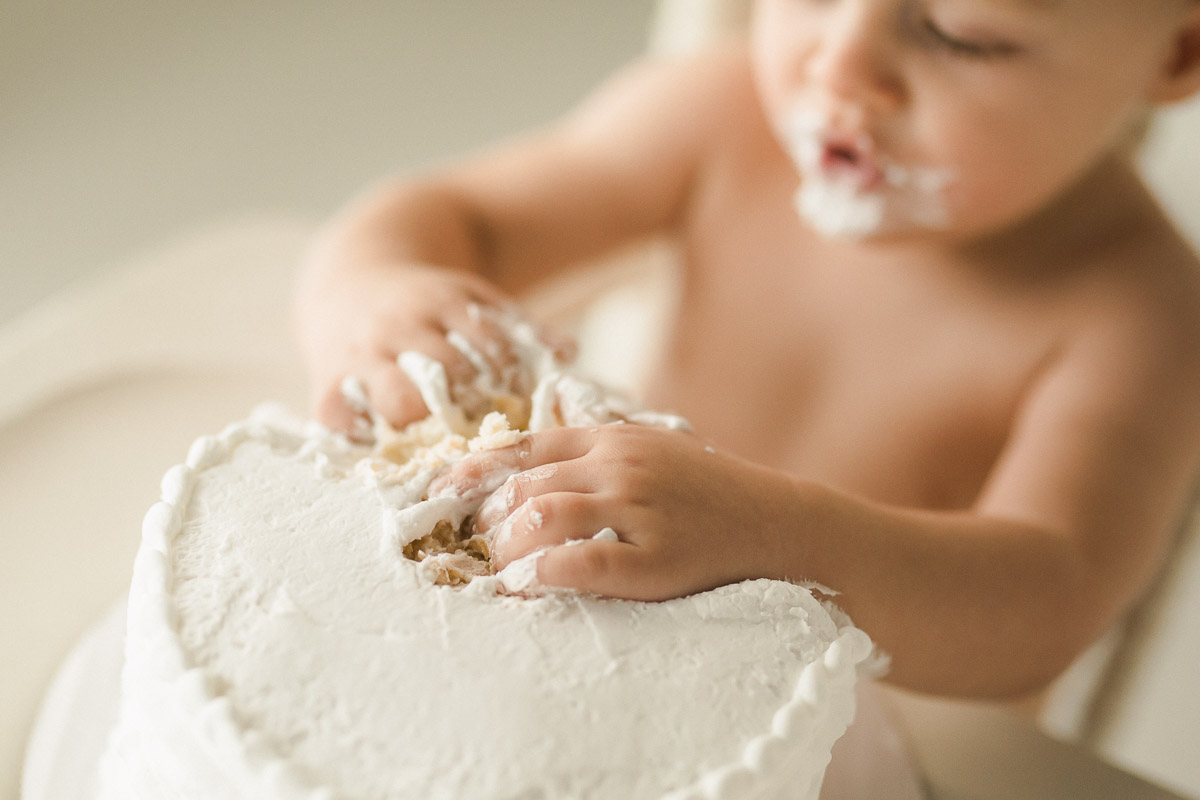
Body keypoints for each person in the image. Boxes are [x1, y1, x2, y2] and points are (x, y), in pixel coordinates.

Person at [294, 0, 1200, 700]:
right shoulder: (718, 117)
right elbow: (459, 216)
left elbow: (1046, 596)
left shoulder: (1141, 314)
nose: (839, 64)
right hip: (609, 615)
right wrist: (373, 292)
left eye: (960, 33)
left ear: (1177, 51)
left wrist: (774, 540)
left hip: (871, 714)